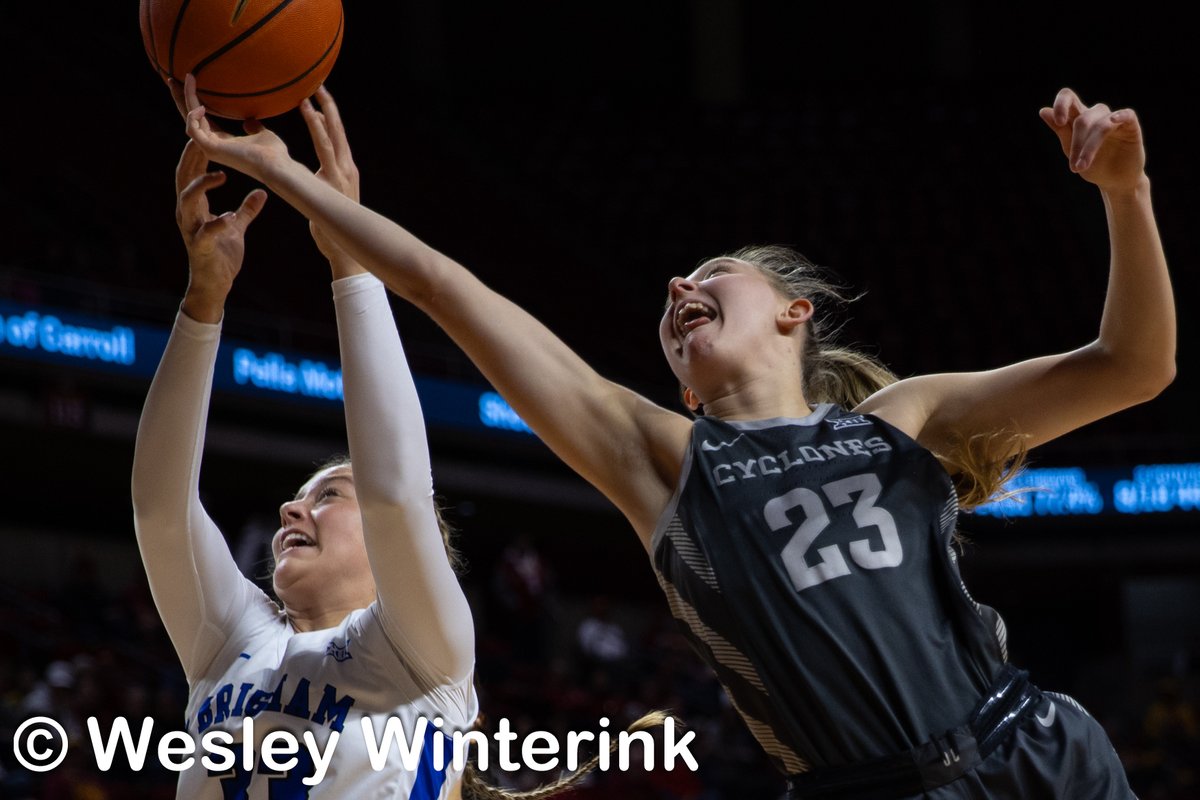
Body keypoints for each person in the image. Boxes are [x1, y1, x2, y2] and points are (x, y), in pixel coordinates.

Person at [180, 77, 1174, 798]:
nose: (675, 288)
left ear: (795, 313)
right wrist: (311, 195)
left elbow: (1136, 364)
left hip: (1037, 751)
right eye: (668, 296)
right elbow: (452, 290)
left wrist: (1125, 194)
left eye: (713, 272)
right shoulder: (662, 458)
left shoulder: (902, 418)